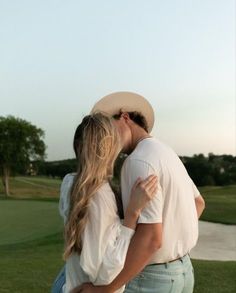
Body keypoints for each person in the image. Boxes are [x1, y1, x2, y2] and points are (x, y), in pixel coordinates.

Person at [76, 91, 205, 293]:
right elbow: (198, 203)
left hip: (150, 278)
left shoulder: (137, 161)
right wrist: (172, 238)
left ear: (125, 117)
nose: (106, 136)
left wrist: (106, 289)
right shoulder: (166, 151)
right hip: (183, 272)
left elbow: (152, 238)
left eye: (109, 126)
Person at [51, 112, 158, 293]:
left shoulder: (69, 182)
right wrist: (132, 214)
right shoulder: (99, 195)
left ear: (77, 146)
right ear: (111, 147)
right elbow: (104, 275)